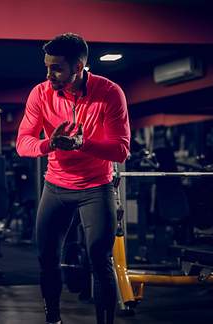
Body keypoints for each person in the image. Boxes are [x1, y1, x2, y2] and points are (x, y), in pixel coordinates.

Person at [16, 33, 130, 324]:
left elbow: (121, 150)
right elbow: (23, 143)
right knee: (47, 259)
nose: (49, 74)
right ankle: (53, 320)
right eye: (47, 66)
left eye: (57, 68)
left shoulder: (109, 92)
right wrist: (49, 144)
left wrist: (83, 144)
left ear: (79, 67)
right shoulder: (40, 93)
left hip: (96, 187)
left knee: (99, 259)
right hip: (55, 187)